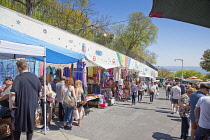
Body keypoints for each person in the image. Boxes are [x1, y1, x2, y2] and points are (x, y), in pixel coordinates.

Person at [10, 60, 42, 140]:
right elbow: (40, 92)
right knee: (30, 123)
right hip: (32, 105)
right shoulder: (35, 77)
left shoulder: (18, 78)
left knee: (17, 124)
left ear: (19, 68)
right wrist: (36, 101)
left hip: (20, 105)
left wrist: (11, 105)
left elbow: (12, 93)